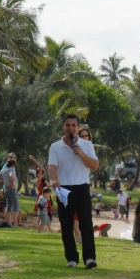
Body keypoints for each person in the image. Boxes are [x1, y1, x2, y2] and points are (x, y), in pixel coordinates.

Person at [48, 113, 99, 269]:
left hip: (82, 187)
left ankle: (89, 258)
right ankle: (72, 258)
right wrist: (54, 179)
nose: (71, 128)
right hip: (63, 189)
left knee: (85, 223)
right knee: (66, 224)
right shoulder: (56, 146)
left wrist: (81, 153)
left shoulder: (86, 145)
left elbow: (95, 165)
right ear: (63, 126)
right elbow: (52, 167)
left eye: (74, 125)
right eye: (68, 125)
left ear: (78, 128)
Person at [0, 159, 20, 227]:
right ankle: (15, 224)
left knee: (8, 206)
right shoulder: (12, 170)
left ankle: (9, 223)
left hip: (6, 189)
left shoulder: (4, 170)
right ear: (13, 165)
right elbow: (11, 176)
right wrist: (11, 183)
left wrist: (2, 181)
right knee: (15, 206)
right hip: (12, 189)